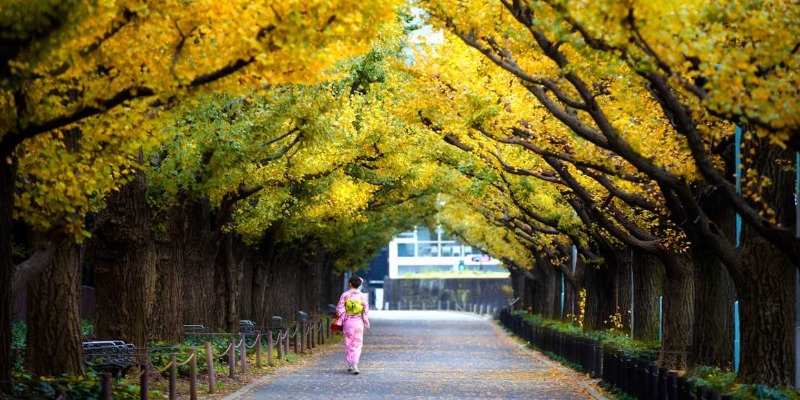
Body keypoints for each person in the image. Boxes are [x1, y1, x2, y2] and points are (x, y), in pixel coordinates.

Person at [335, 275, 370, 375]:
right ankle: (355, 364)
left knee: (348, 342)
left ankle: (350, 363)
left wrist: (343, 317)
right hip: (358, 322)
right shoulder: (362, 296)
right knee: (357, 343)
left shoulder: (345, 295)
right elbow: (365, 309)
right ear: (359, 285)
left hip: (348, 322)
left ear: (350, 284)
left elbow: (340, 308)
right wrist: (364, 319)